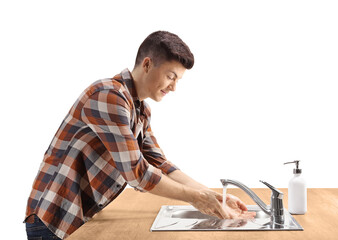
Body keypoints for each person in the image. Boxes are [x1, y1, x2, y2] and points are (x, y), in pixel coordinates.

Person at [24, 30, 255, 240]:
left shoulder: (140, 109)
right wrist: (196, 198)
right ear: (147, 64)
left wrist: (213, 197)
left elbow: (160, 164)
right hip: (53, 221)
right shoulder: (108, 96)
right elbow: (138, 173)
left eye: (178, 80)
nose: (174, 87)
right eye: (171, 76)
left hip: (77, 218)